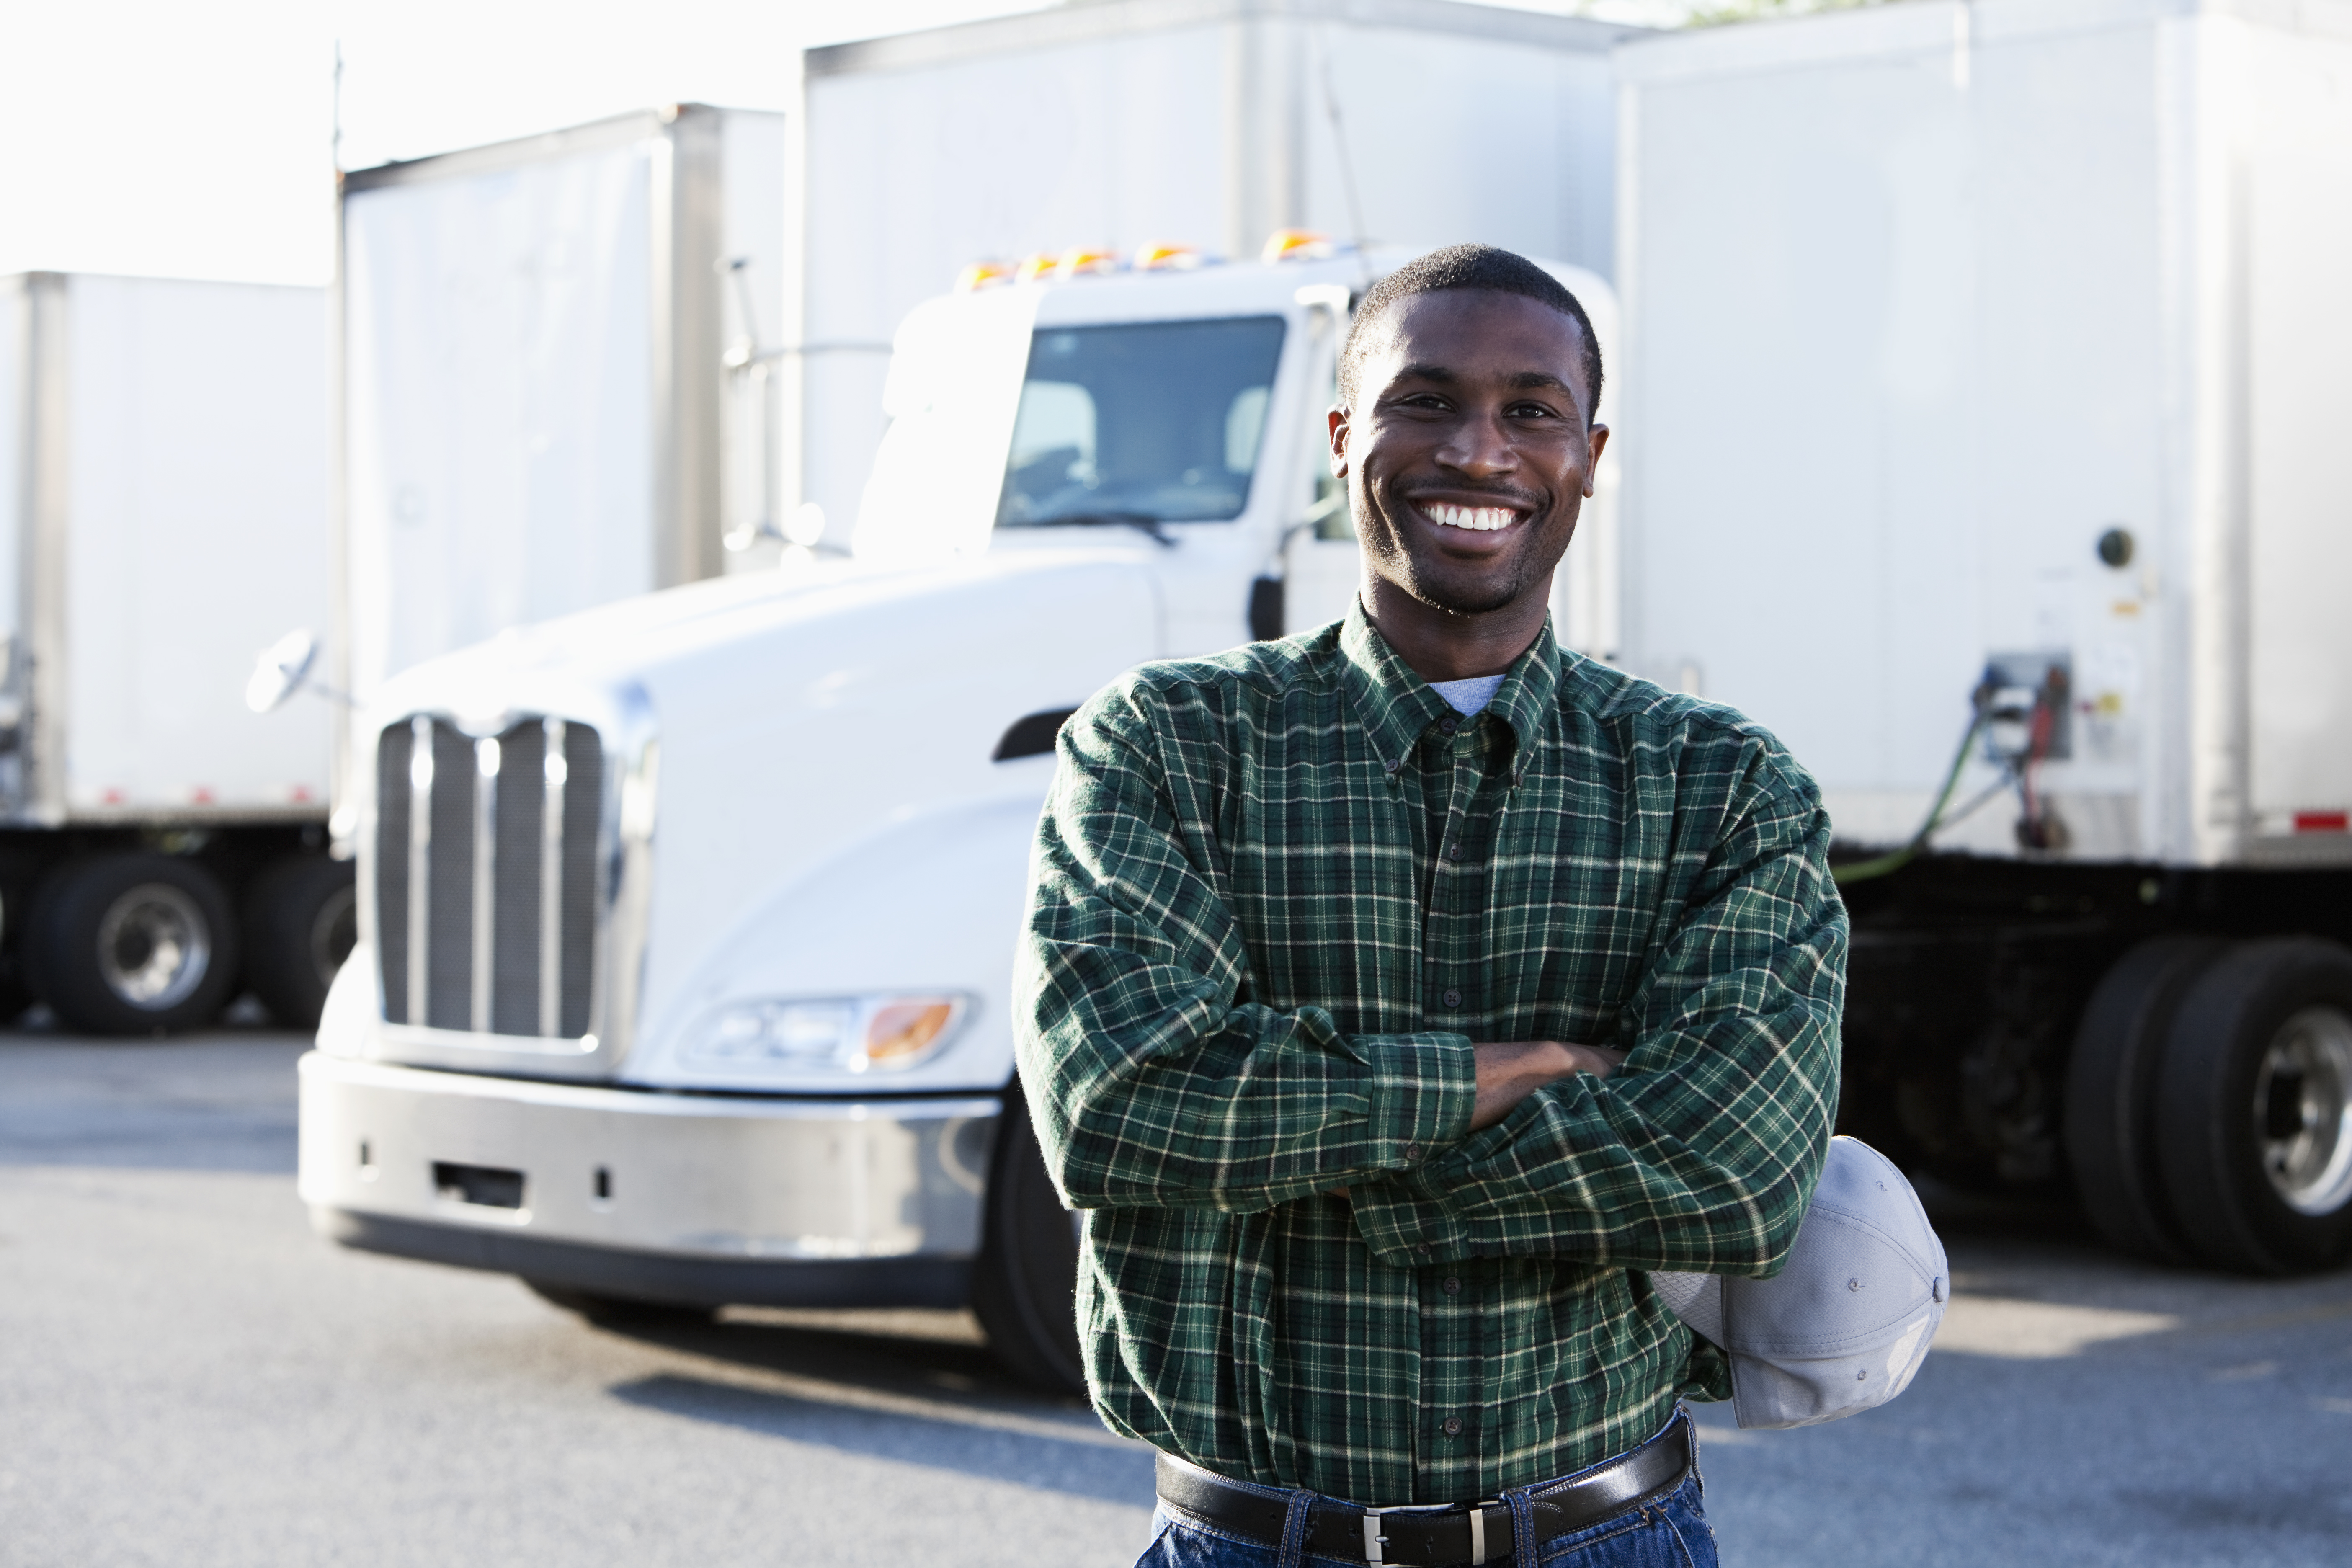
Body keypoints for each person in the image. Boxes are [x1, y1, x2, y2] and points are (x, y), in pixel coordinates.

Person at [1012, 243, 1845, 1568]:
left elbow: (1737, 1172)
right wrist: (1522, 1074)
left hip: (1603, 1538)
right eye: (1426, 401)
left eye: (1531, 411)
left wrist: (1338, 1171)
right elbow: (1114, 1109)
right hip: (1248, 1542)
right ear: (1346, 435)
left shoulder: (1721, 788)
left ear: (1590, 452)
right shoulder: (1167, 743)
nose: (1478, 451)